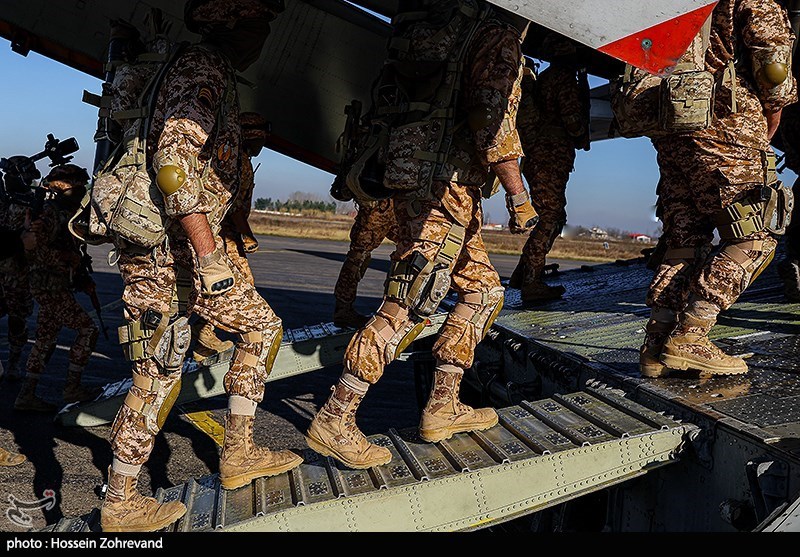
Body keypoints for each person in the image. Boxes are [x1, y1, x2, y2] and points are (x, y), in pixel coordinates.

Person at [305, 0, 538, 469]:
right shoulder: (495, 35)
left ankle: (443, 404)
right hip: (444, 185)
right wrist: (518, 193)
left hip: (427, 178)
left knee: (485, 291)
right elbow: (489, 118)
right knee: (411, 300)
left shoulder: (441, 28)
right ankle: (336, 416)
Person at [101, 0, 301, 532]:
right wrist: (210, 255)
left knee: (163, 366)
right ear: (232, 22)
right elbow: (173, 163)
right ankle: (124, 500)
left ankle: (234, 455)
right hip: (175, 251)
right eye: (260, 23)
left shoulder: (186, 65)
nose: (263, 36)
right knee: (166, 366)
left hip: (159, 245)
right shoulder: (203, 67)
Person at [639, 0, 797, 378]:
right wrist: (771, 116)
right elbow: (773, 66)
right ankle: (691, 336)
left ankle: (655, 345)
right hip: (724, 116)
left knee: (684, 240)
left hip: (669, 120)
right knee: (756, 236)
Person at [509, 35, 590, 304]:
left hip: (539, 155)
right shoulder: (563, 80)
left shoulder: (545, 79)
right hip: (551, 155)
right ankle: (531, 283)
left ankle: (523, 274)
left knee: (551, 215)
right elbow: (573, 122)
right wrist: (580, 130)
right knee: (550, 219)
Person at [13, 164, 101, 412]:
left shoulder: (65, 214)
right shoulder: (50, 214)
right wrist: (65, 259)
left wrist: (80, 276)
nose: (80, 190)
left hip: (55, 284)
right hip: (48, 286)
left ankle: (26, 395)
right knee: (87, 330)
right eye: (75, 185)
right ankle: (72, 387)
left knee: (45, 339)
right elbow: (34, 250)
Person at [190, 110, 269, 362]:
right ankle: (205, 332)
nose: (262, 145)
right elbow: (232, 205)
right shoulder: (239, 162)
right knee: (242, 286)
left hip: (225, 232)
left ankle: (203, 342)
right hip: (225, 234)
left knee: (222, 286)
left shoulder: (234, 158)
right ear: (250, 137)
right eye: (259, 140)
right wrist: (246, 234)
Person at [332, 198, 399, 329]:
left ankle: (396, 309)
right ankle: (343, 311)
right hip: (380, 207)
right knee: (357, 258)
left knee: (410, 250)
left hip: (391, 207)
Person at [0, 157, 36, 381]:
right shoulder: (7, 203)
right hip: (11, 271)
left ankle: (13, 362)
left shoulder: (29, 205)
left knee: (17, 320)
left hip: (18, 274)